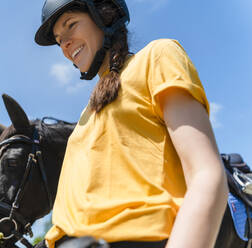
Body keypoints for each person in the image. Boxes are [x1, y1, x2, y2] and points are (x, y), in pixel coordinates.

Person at [34, 0, 229, 247]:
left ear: (104, 16)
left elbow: (207, 174)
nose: (65, 44)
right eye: (59, 39)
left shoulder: (156, 56)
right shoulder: (86, 115)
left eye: (71, 25)